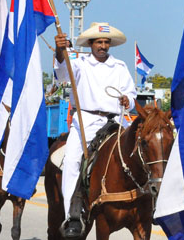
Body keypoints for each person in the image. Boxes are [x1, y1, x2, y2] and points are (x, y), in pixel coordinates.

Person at [54, 22, 136, 238]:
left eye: (106, 42)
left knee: (140, 152)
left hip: (116, 121)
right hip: (86, 121)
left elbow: (132, 94)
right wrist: (60, 51)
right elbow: (62, 76)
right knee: (72, 161)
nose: (103, 45)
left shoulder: (120, 66)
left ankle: (149, 203)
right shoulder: (80, 64)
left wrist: (129, 99)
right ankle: (72, 215)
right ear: (91, 44)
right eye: (99, 42)